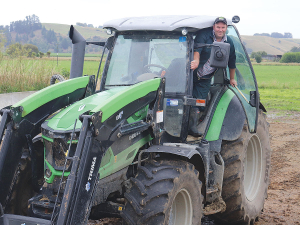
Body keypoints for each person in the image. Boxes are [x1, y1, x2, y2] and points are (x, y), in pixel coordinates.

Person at [188, 17, 237, 137]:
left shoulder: (228, 42)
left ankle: (192, 127)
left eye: (223, 27)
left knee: (199, 102)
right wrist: (195, 61)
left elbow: (232, 62)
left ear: (226, 28)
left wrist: (232, 78)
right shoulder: (204, 35)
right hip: (191, 73)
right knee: (183, 98)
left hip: (205, 78)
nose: (220, 29)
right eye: (218, 27)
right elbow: (197, 49)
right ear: (214, 27)